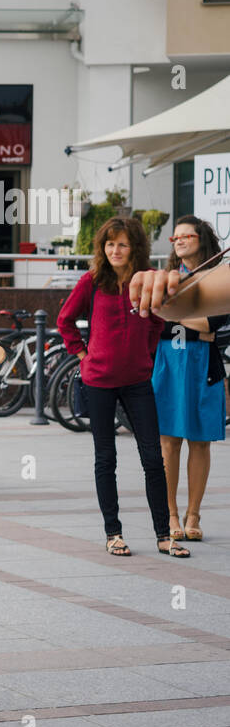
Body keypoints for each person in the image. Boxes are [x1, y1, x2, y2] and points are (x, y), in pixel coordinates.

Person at [58, 217, 174, 558]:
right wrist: (82, 353)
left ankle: (164, 535)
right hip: (99, 381)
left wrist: (147, 356)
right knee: (105, 459)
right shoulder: (92, 282)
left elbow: (156, 322)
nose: (115, 250)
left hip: (139, 381)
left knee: (153, 459)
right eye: (109, 244)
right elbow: (64, 320)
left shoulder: (147, 283)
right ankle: (114, 533)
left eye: (122, 244)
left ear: (135, 247)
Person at [153, 216, 226, 544]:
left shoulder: (216, 278)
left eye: (186, 236)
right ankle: (169, 513)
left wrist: (174, 314)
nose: (179, 241)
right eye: (175, 238)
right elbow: (156, 322)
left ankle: (193, 514)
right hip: (168, 365)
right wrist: (189, 320)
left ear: (203, 239)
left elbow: (215, 322)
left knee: (200, 441)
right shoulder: (168, 280)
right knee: (168, 441)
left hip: (202, 368)